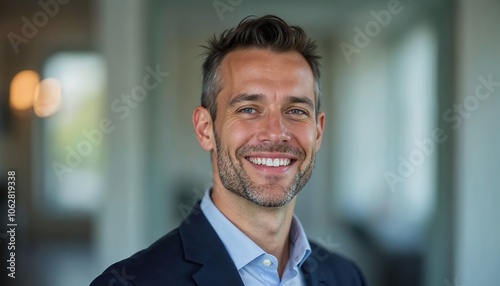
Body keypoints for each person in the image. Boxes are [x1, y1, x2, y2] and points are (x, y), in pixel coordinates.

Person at [91, 15, 367, 286]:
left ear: (317, 131)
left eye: (296, 110)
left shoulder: (347, 276)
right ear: (205, 129)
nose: (275, 132)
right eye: (248, 109)